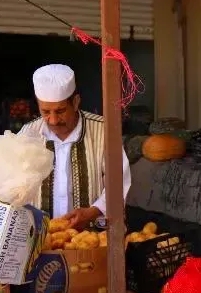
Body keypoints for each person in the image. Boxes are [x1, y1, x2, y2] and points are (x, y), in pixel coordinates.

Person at [19, 64, 131, 229]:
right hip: (42, 241)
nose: (53, 120)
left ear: (76, 102)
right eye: (46, 112)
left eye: (60, 111)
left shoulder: (104, 130)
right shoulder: (28, 133)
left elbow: (119, 182)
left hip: (95, 239)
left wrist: (94, 211)